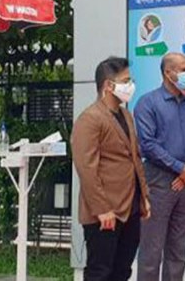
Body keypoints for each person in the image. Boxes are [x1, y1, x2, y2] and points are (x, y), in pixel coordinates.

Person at [71, 57, 150, 281]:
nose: (130, 86)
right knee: (100, 271)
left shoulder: (126, 114)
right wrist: (101, 208)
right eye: (125, 81)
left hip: (130, 207)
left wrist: (144, 197)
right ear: (108, 86)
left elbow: (135, 157)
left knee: (122, 270)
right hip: (104, 212)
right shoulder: (90, 119)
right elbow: (87, 169)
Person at [134, 52, 185, 281]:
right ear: (169, 73)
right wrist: (179, 168)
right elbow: (147, 144)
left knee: (179, 248)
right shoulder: (148, 103)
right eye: (184, 69)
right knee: (152, 249)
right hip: (158, 181)